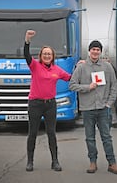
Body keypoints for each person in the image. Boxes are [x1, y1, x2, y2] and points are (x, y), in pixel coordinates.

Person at [69, 40, 117, 175]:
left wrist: (109, 103)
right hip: (87, 109)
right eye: (93, 49)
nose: (95, 52)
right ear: (89, 51)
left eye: (98, 50)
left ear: (100, 52)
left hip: (103, 108)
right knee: (90, 137)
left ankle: (112, 163)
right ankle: (93, 162)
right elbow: (72, 85)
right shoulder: (81, 67)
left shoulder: (107, 67)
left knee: (106, 137)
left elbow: (114, 86)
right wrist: (88, 87)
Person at [23, 30, 71, 172]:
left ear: (52, 56)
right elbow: (26, 55)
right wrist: (27, 41)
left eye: (49, 54)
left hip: (50, 105)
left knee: (51, 133)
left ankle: (55, 161)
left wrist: (81, 66)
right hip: (35, 104)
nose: (47, 56)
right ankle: (30, 161)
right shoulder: (35, 66)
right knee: (32, 133)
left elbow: (70, 78)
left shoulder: (57, 69)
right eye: (45, 54)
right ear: (41, 56)